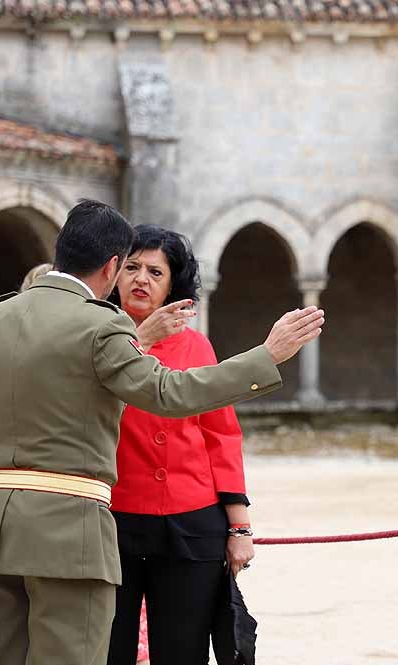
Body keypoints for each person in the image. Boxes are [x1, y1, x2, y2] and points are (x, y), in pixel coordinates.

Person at [0, 199, 324, 665]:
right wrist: (266, 356)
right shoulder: (102, 326)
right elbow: (169, 393)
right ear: (111, 267)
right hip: (70, 535)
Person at [103, 225, 252, 665]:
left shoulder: (197, 346)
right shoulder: (96, 339)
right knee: (107, 650)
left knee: (183, 652)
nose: (140, 279)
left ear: (173, 285)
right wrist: (139, 341)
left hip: (192, 523)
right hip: (112, 518)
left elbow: (221, 435)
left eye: (155, 271)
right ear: (113, 273)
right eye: (131, 267)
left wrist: (239, 527)